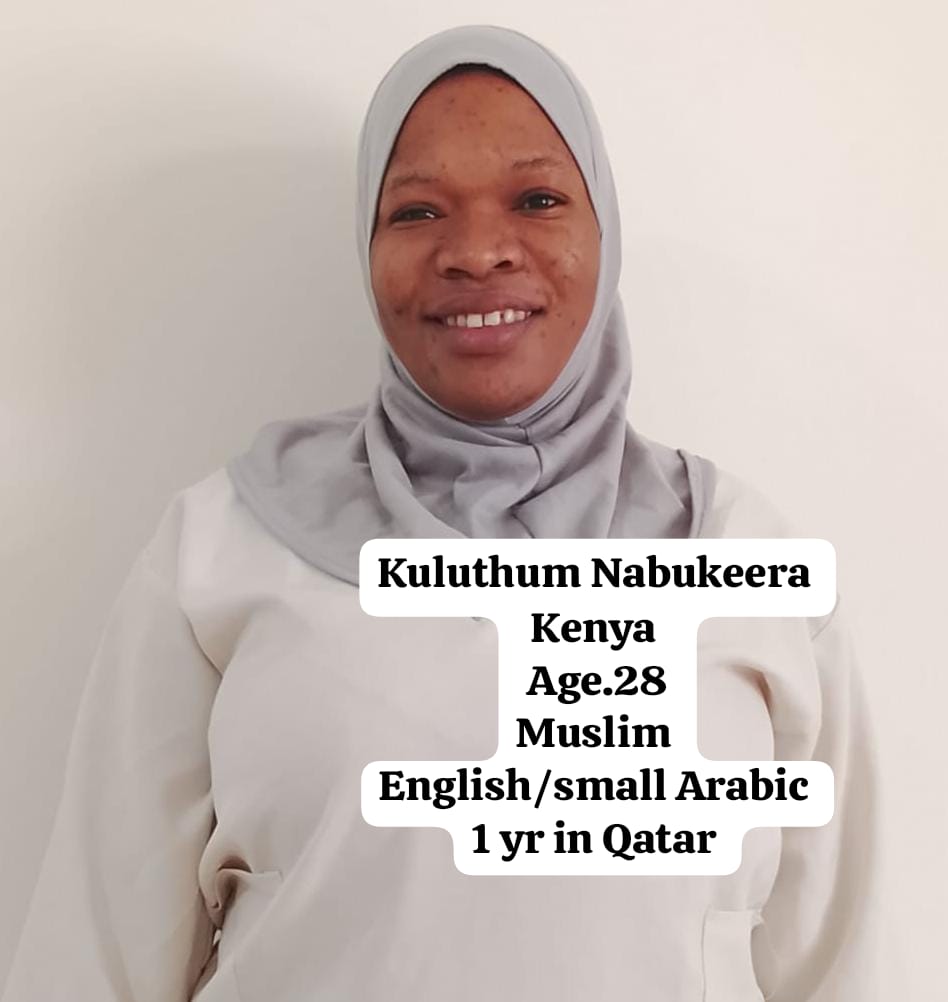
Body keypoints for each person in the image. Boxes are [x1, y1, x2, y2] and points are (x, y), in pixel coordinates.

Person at [2, 24, 881, 1002]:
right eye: (417, 210)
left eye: (537, 199)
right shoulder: (219, 549)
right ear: (368, 247)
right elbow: (93, 955)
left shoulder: (750, 560)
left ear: (605, 231)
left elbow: (841, 964)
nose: (477, 252)